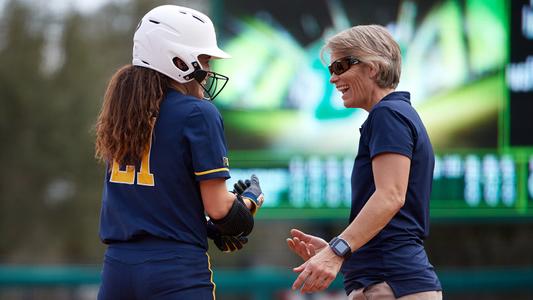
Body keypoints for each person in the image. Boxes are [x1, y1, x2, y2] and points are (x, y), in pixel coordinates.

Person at [94, 5, 264, 300]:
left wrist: (211, 228)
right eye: (204, 59)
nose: (208, 70)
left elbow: (155, 202)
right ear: (176, 58)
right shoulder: (197, 113)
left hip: (117, 268)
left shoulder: (122, 110)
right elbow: (220, 209)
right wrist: (249, 202)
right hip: (174, 269)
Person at [286, 25, 442, 299]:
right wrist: (337, 250)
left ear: (372, 67)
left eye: (341, 66)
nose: (333, 78)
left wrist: (337, 250)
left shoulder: (388, 114)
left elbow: (390, 197)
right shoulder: (393, 113)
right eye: (330, 69)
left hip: (390, 284)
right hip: (391, 281)